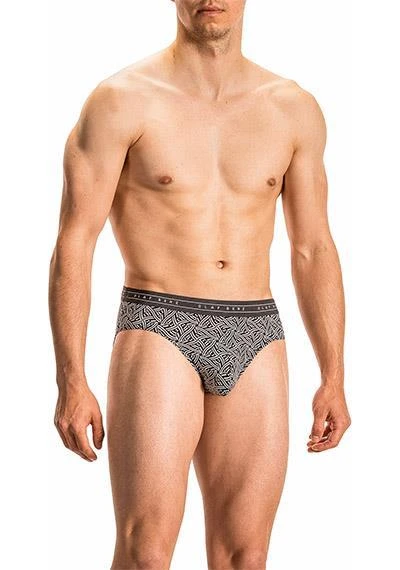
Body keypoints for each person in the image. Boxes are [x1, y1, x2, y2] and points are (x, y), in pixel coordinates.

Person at [48, 1, 352, 568]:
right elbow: (75, 242)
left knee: (245, 555)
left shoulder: (293, 108)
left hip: (255, 329)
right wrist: (71, 378)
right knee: (145, 551)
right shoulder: (120, 100)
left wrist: (333, 375)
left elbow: (313, 247)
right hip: (159, 321)